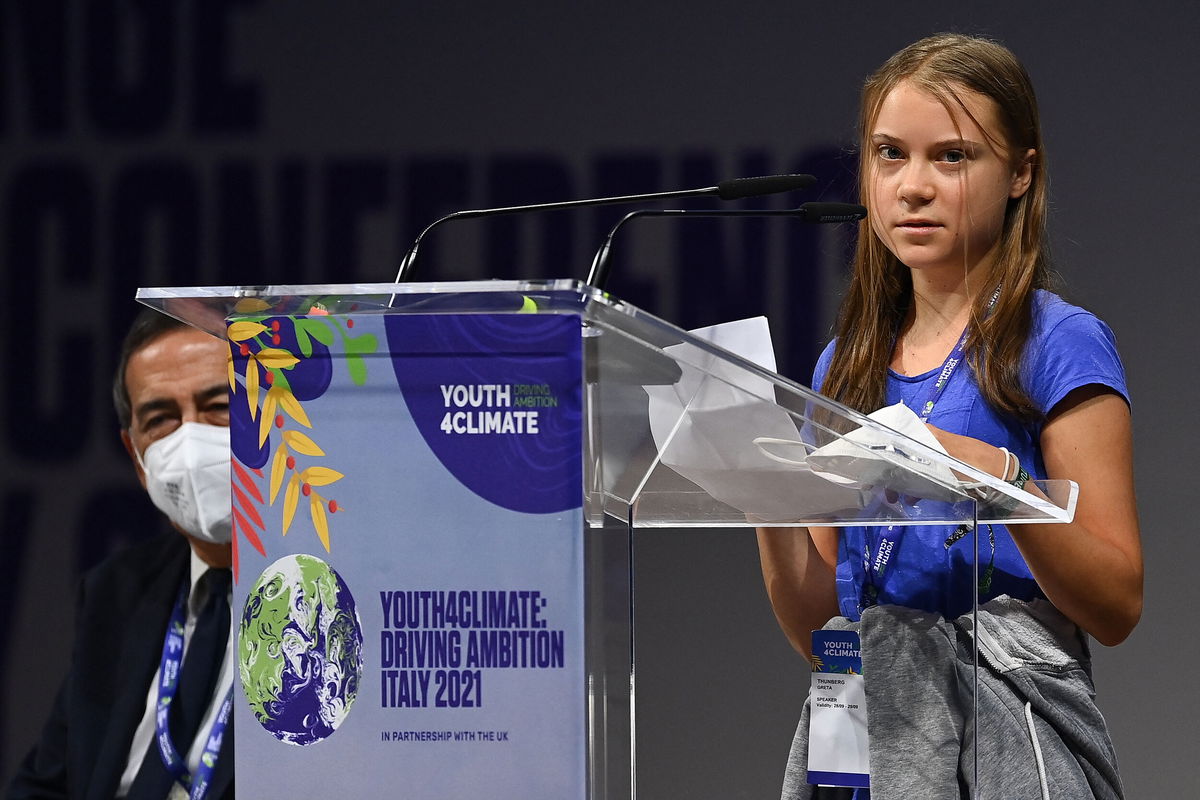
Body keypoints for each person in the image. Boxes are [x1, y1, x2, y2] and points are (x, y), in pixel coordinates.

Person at [756, 33, 1141, 800]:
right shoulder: (843, 365)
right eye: (890, 154)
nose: (913, 186)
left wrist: (996, 478)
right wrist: (765, 499)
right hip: (866, 731)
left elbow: (1118, 601)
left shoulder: (1056, 342)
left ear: (1021, 173)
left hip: (1007, 733)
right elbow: (820, 631)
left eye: (953, 157)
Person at [8, 309, 236, 800]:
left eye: (218, 406)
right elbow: (46, 785)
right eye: (161, 419)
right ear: (136, 458)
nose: (189, 441)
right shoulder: (117, 590)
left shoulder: (336, 597)